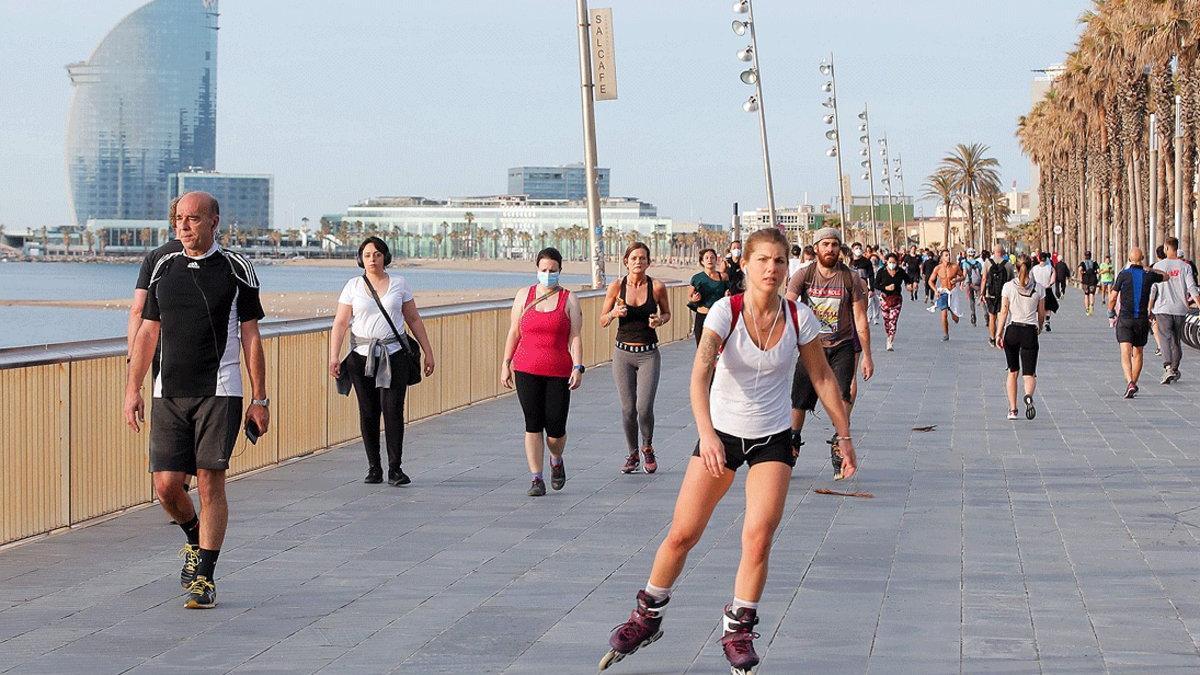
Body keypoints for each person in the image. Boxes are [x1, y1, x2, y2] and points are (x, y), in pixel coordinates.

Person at [598, 228, 857, 675]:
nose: (772, 269)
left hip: (773, 438)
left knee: (758, 537)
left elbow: (822, 378)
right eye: (763, 260)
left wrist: (845, 435)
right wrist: (708, 434)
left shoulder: (799, 317)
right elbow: (700, 375)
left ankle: (738, 628)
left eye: (779, 261)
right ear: (748, 265)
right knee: (683, 533)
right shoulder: (725, 312)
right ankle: (648, 615)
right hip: (720, 434)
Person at [123, 192, 268, 610]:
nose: (184, 226)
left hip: (219, 391)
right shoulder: (162, 266)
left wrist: (261, 398)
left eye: (193, 219)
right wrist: (132, 389)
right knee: (166, 486)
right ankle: (193, 535)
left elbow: (251, 337)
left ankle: (205, 577)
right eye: (179, 220)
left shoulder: (236, 269)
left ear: (214, 221)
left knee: (209, 482)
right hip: (167, 391)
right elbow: (147, 333)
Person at [328, 237, 436, 486]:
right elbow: (341, 323)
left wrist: (429, 352)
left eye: (377, 254)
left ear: (385, 257)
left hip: (394, 354)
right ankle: (373, 467)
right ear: (360, 259)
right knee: (368, 412)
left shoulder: (399, 284)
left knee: (393, 410)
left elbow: (414, 319)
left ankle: (395, 468)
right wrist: (334, 356)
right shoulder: (353, 286)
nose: (372, 259)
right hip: (361, 357)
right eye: (367, 255)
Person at [786, 227, 873, 478]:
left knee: (843, 394)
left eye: (834, 244)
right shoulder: (803, 276)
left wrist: (867, 354)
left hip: (842, 345)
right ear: (816, 248)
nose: (830, 249)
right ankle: (793, 441)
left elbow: (860, 318)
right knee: (799, 400)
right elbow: (788, 308)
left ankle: (839, 440)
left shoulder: (851, 279)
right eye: (825, 244)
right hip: (811, 346)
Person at [501, 248, 585, 496]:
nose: (548, 274)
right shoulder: (523, 296)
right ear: (537, 269)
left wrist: (578, 366)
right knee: (532, 424)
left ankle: (556, 459)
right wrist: (506, 363)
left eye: (553, 270)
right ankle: (536, 478)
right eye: (544, 270)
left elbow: (576, 337)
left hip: (558, 370)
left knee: (555, 430)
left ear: (560, 270)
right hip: (526, 368)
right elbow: (514, 332)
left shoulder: (569, 299)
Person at [601, 242, 672, 474]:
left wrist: (658, 321)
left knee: (644, 407)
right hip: (623, 353)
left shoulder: (657, 287)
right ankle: (632, 453)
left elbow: (667, 313)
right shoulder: (616, 286)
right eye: (634, 258)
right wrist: (613, 313)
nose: (638, 262)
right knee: (628, 409)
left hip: (648, 353)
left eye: (642, 258)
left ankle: (647, 446)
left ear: (648, 262)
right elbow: (602, 320)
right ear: (626, 262)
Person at [1108, 247, 1166, 399]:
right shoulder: (1148, 275)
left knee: (1125, 352)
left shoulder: (1123, 275)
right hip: (1141, 320)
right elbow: (1165, 276)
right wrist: (1148, 268)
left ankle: (1130, 383)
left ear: (1128, 259)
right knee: (1138, 352)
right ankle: (1133, 382)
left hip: (1125, 319)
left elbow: (1113, 297)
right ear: (1142, 259)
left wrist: (1110, 311)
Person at [995, 255, 1045, 421]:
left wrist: (998, 333)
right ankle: (1028, 395)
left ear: (1016, 268)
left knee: (1012, 371)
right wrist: (1038, 327)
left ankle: (1012, 410)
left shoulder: (1008, 287)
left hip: (1012, 330)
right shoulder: (1039, 288)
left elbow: (1003, 312)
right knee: (1029, 373)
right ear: (1031, 267)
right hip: (1029, 331)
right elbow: (1042, 314)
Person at [1150, 237, 1200, 384]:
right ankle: (1175, 367)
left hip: (1162, 308)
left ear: (1166, 248)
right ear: (1176, 248)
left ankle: (1168, 367)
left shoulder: (1158, 266)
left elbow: (1153, 289)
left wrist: (1149, 308)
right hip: (1180, 309)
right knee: (1176, 339)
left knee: (1165, 337)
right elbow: (1192, 288)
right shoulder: (1185, 267)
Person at [688, 248, 729, 346]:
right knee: (702, 348)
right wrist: (694, 298)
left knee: (719, 347)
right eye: (706, 258)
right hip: (702, 316)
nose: (709, 260)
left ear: (716, 260)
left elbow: (729, 292)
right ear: (702, 261)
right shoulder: (696, 278)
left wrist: (727, 295)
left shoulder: (723, 276)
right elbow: (689, 296)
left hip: (718, 316)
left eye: (712, 257)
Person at [875, 252, 911, 351]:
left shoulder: (900, 272)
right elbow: (876, 285)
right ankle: (888, 335)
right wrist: (885, 287)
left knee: (893, 320)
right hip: (884, 299)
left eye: (894, 262)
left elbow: (908, 280)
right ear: (886, 262)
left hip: (896, 299)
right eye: (890, 262)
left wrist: (909, 285)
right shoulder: (881, 271)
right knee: (887, 320)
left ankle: (890, 341)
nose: (892, 264)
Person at [928, 249, 965, 341]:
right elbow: (930, 281)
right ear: (941, 257)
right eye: (946, 255)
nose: (948, 257)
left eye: (949, 255)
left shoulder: (955, 267)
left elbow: (963, 276)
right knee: (943, 314)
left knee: (956, 319)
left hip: (953, 292)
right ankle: (946, 334)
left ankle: (953, 311)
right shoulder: (938, 268)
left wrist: (956, 280)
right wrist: (935, 290)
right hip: (943, 292)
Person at [982, 245, 1014, 346]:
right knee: (1001, 316)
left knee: (992, 317)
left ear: (993, 251)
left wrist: (982, 293)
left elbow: (984, 279)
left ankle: (992, 338)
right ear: (1003, 252)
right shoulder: (1008, 265)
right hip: (1003, 295)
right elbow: (1011, 281)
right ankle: (999, 336)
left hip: (990, 294)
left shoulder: (987, 263)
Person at [848, 243, 878, 326]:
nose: (858, 250)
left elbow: (871, 275)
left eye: (860, 248)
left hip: (862, 288)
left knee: (862, 308)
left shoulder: (866, 262)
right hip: (850, 288)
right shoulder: (849, 261)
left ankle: (861, 323)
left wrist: (871, 289)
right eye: (856, 248)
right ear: (852, 250)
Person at [1032, 252, 1059, 332]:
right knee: (1048, 307)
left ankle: (1037, 322)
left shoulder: (1034, 268)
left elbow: (1031, 279)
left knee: (1037, 307)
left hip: (1037, 289)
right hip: (1047, 289)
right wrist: (1049, 284)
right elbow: (1053, 280)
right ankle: (1047, 321)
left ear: (1039, 259)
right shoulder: (1050, 268)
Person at [961, 248, 984, 326]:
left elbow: (964, 275)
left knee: (972, 300)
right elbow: (982, 274)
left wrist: (961, 283)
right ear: (974, 254)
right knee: (981, 299)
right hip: (978, 284)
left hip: (969, 284)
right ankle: (986, 315)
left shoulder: (965, 263)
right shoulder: (978, 263)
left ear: (967, 254)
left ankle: (973, 314)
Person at [1078, 250, 1101, 316]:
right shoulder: (1094, 262)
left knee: (1086, 294)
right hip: (1093, 280)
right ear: (1090, 256)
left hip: (1085, 280)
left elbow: (1080, 269)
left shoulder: (1083, 262)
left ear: (1085, 256)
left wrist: (1082, 273)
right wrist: (1096, 273)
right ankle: (1091, 306)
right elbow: (1098, 271)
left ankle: (1087, 309)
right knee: (1092, 293)